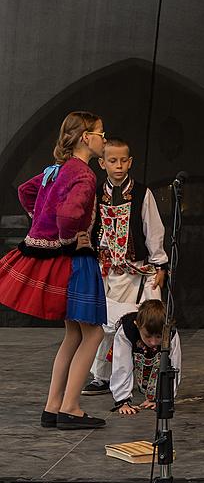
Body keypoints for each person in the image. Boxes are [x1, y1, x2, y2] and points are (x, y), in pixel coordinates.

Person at [0, 111, 108, 429]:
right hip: (77, 261)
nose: (104, 138)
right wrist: (66, 238)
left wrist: (41, 219)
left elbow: (25, 191)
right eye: (101, 132)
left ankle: (52, 407)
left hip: (63, 262)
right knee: (94, 332)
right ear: (86, 137)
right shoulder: (84, 175)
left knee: (73, 333)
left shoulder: (55, 171)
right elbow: (69, 214)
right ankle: (71, 407)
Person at [83, 137, 168, 396]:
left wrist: (159, 264)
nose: (118, 166)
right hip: (106, 270)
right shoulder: (95, 194)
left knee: (148, 321)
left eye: (122, 160)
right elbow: (89, 228)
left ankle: (151, 376)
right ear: (102, 163)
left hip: (138, 270)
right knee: (104, 324)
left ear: (130, 162)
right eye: (112, 161)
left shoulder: (143, 193)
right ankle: (102, 375)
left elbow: (153, 230)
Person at [110, 299, 182, 414]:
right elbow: (121, 366)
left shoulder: (170, 333)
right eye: (148, 336)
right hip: (109, 320)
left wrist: (163, 398)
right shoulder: (126, 330)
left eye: (158, 336)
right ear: (137, 326)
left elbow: (173, 366)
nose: (153, 342)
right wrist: (123, 400)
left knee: (162, 361)